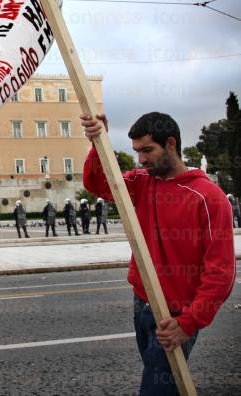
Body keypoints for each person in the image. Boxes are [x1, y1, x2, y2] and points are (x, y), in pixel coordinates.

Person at [81, 111, 235, 395]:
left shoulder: (209, 198)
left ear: (172, 144)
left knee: (155, 389)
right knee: (164, 383)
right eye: (137, 151)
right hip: (142, 305)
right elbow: (98, 183)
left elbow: (221, 273)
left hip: (175, 316)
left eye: (148, 150)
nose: (141, 159)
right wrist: (97, 142)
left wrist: (188, 323)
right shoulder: (143, 182)